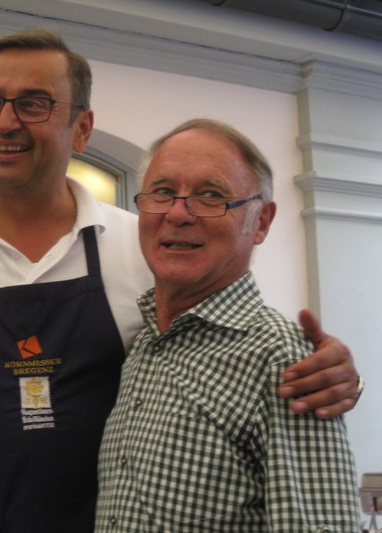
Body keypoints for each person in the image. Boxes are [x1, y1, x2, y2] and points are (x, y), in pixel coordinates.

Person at [0, 29, 361, 533]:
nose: (5, 122)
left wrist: (333, 374)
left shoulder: (145, 247)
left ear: (81, 129)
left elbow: (237, 341)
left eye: (33, 103)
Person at [95, 118, 360, 532]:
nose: (178, 213)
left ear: (261, 222)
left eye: (211, 196)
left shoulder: (281, 361)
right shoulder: (145, 344)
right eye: (162, 192)